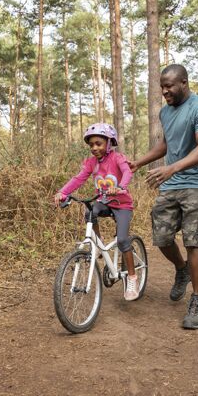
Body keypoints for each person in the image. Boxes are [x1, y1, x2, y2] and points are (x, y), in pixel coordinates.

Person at [129, 64, 198, 329]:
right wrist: (138, 163)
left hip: (197, 182)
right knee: (162, 237)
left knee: (194, 241)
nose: (164, 91)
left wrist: (172, 168)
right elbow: (165, 145)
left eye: (169, 86)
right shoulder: (165, 112)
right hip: (171, 183)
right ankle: (182, 269)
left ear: (184, 83)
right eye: (162, 87)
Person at [54, 123, 140, 301]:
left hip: (122, 204)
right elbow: (78, 179)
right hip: (104, 202)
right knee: (90, 213)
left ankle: (132, 277)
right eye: (91, 144)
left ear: (109, 143)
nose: (94, 148)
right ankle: (99, 243)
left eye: (98, 143)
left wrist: (121, 187)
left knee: (123, 240)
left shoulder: (117, 158)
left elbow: (127, 173)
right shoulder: (91, 163)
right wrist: (63, 192)